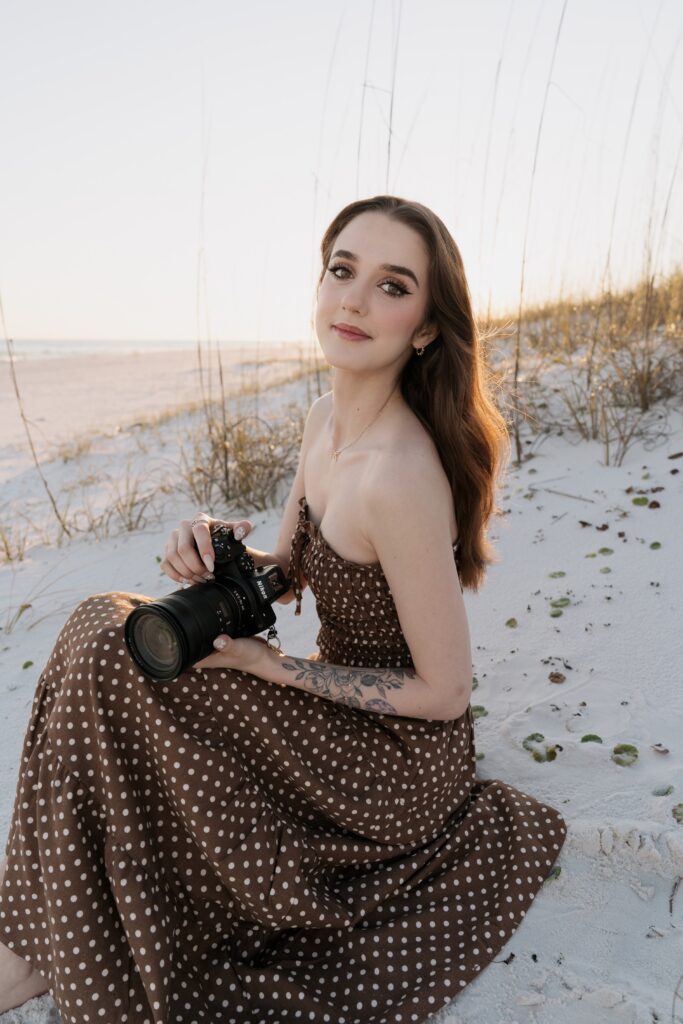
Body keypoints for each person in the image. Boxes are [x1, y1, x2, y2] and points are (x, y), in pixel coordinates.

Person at [0, 194, 567, 1023]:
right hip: (320, 709)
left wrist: (276, 666)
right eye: (343, 271)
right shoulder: (321, 420)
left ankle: (41, 944)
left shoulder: (400, 476)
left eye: (391, 285)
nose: (354, 299)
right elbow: (295, 568)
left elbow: (444, 693)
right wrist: (215, 548)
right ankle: (50, 932)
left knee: (103, 642)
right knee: (107, 632)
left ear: (424, 329)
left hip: (393, 760)